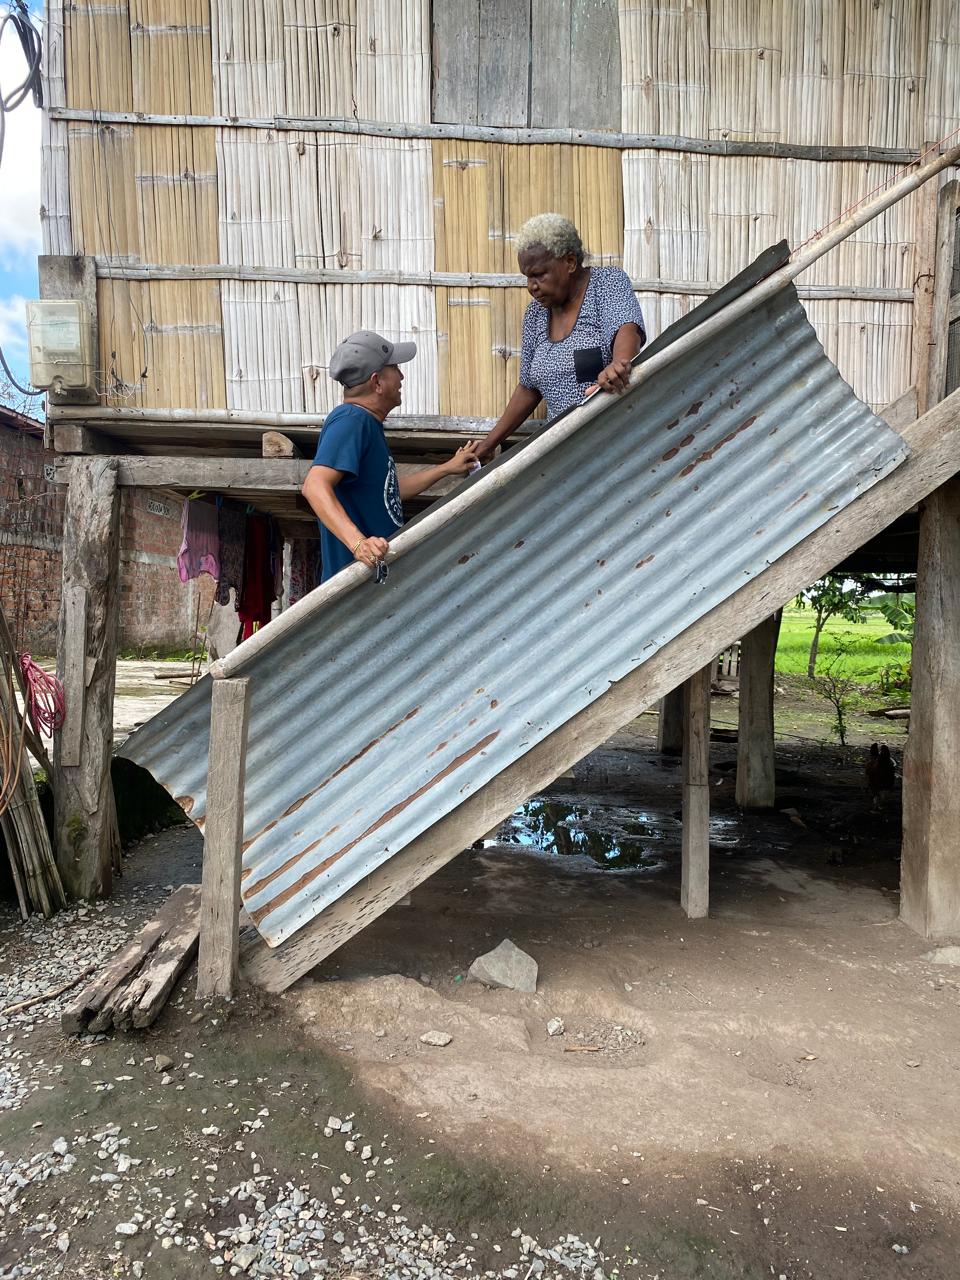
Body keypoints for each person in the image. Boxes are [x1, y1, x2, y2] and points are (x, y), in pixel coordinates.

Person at [302, 330, 479, 582]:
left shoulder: (366, 424)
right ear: (377, 382)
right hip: (357, 588)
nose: (402, 376)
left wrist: (446, 468)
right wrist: (359, 544)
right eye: (395, 368)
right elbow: (314, 486)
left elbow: (388, 494)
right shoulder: (351, 420)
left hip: (375, 585)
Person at [473, 213, 646, 462]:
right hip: (562, 452)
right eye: (527, 277)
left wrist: (619, 362)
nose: (532, 286)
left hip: (614, 444)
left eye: (539, 275)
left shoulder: (607, 283)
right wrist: (489, 443)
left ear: (570, 262)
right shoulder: (535, 314)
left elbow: (626, 328)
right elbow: (528, 387)